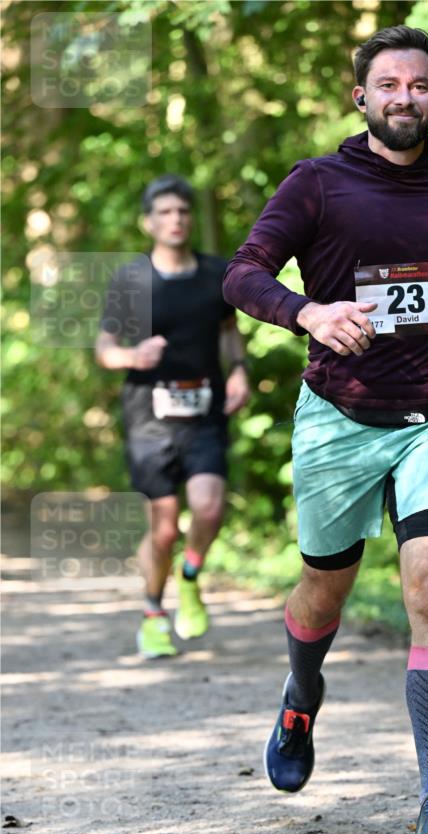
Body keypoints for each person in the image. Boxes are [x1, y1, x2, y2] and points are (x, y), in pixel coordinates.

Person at [223, 26, 428, 834]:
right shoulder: (317, 183)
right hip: (337, 415)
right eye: (387, 85)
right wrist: (309, 312)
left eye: (419, 85)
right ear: (360, 97)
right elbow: (243, 272)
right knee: (325, 589)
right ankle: (300, 692)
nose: (404, 98)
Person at [96, 175, 250, 659]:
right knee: (162, 528)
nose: (176, 219)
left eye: (182, 211)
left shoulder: (215, 275)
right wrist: (130, 357)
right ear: (149, 222)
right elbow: (105, 348)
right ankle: (152, 613)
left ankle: (189, 576)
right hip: (148, 415)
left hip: (203, 408)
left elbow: (229, 331)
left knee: (208, 507)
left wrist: (240, 371)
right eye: (164, 212)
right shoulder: (131, 279)